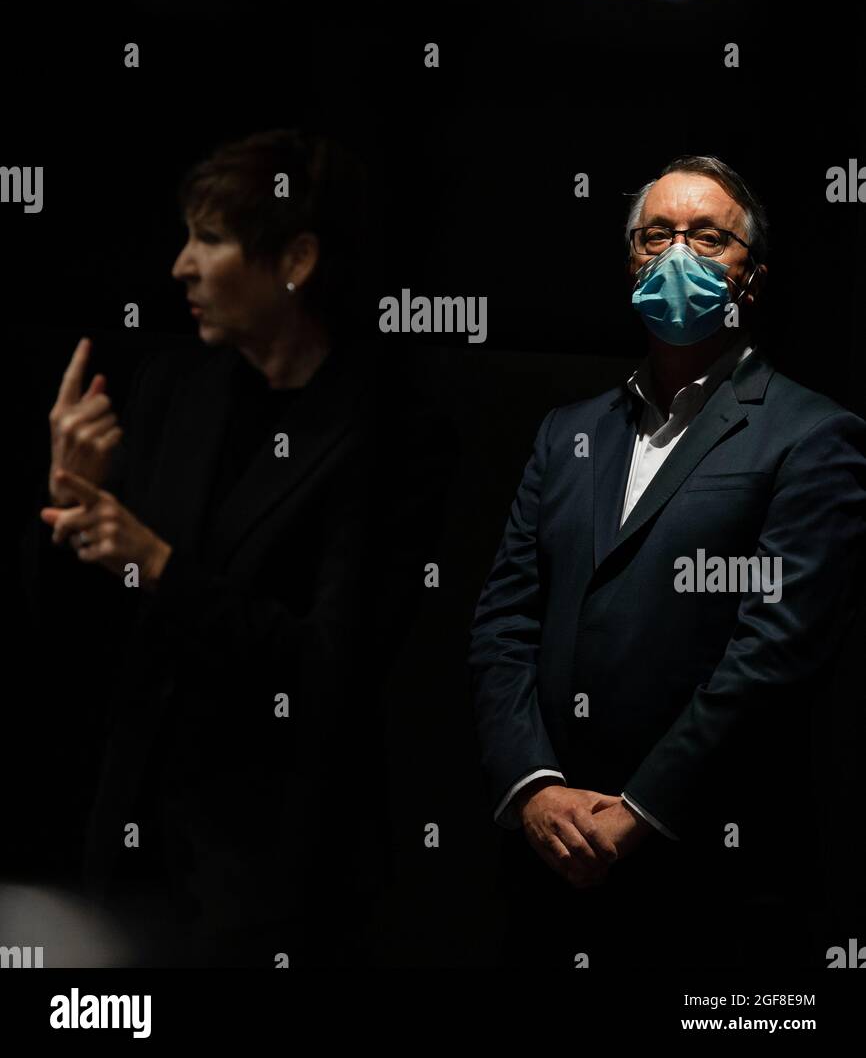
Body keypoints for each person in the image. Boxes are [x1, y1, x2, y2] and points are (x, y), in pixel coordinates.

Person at [29, 128, 453, 966]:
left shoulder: (388, 434)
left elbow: (328, 669)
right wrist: (69, 503)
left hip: (276, 883)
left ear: (296, 258)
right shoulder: (173, 388)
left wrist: (158, 564)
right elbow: (79, 639)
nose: (181, 265)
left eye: (210, 239)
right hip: (129, 849)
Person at [468, 154, 866, 970]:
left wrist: (640, 810)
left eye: (708, 237)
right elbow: (504, 618)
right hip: (543, 863)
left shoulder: (811, 435)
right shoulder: (565, 431)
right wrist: (534, 786)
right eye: (658, 234)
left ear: (749, 275)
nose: (677, 253)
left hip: (709, 877)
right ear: (630, 262)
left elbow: (774, 654)